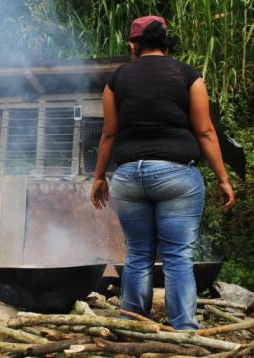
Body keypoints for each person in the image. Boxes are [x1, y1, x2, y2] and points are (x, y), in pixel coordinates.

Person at [90, 16, 235, 330]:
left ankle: (132, 324)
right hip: (176, 176)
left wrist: (99, 177)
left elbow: (109, 134)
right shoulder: (188, 75)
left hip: (128, 176)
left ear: (133, 44)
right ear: (166, 41)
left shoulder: (116, 80)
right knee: (177, 256)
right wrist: (223, 179)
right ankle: (183, 328)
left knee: (138, 253)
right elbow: (206, 132)